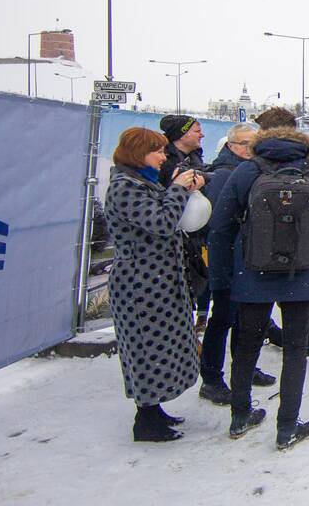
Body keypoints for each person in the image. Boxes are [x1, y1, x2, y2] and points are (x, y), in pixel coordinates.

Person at [207, 125, 309, 450]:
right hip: (302, 274)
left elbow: (221, 226)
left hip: (253, 274)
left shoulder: (246, 171)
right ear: (304, 146)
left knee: (246, 345)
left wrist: (221, 279)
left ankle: (240, 416)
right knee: (296, 350)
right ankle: (287, 428)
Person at [104, 127, 204, 442]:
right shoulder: (123, 187)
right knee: (147, 350)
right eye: (157, 151)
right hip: (140, 287)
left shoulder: (140, 182)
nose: (164, 156)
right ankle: (146, 420)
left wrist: (185, 191)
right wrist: (176, 188)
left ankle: (153, 410)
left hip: (157, 282)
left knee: (160, 347)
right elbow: (161, 222)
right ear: (138, 153)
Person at [198, 123, 277, 406]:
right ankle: (211, 378)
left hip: (247, 261)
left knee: (245, 321)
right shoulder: (223, 175)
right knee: (223, 319)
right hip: (229, 262)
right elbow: (219, 226)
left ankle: (244, 369)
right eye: (244, 143)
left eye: (254, 143)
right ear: (231, 145)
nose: (249, 148)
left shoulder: (253, 171)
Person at [158, 114, 210, 319]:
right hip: (175, 238)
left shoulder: (194, 157)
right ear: (182, 135)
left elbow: (207, 175)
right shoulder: (167, 163)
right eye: (197, 131)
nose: (202, 135)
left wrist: (204, 178)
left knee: (198, 282)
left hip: (196, 236)